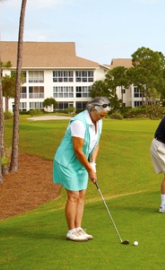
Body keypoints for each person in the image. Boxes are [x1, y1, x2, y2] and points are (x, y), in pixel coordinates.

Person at [53, 97, 111, 241]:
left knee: (81, 196)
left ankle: (79, 229)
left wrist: (93, 165)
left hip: (82, 162)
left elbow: (96, 144)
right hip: (67, 162)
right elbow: (78, 150)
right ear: (93, 110)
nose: (102, 118)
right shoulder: (79, 122)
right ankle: (71, 231)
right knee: (73, 196)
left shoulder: (99, 121)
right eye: (101, 115)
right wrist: (90, 170)